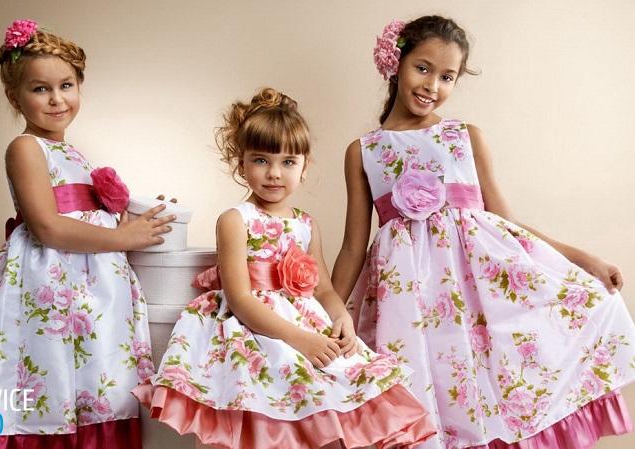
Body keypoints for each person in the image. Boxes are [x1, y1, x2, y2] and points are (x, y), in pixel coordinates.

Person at [332, 15, 635, 449]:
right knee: (426, 397)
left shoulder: (465, 137)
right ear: (395, 63)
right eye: (422, 68)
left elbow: (507, 225)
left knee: (483, 394)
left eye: (447, 77)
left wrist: (582, 259)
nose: (432, 85)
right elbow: (352, 247)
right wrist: (326, 314)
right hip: (409, 305)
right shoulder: (364, 152)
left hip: (475, 296)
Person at [133, 88, 437, 449]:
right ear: (241, 164)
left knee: (334, 395)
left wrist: (341, 316)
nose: (274, 173)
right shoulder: (235, 220)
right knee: (264, 403)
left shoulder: (307, 224)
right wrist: (299, 339)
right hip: (256, 329)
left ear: (305, 166)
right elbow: (240, 298)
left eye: (288, 162)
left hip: (306, 322)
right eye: (261, 160)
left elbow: (323, 289)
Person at [0, 19, 174, 448]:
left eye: (66, 85)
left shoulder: (72, 153)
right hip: (47, 285)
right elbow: (48, 226)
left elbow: (85, 221)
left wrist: (131, 220)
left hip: (90, 293)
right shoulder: (26, 147)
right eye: (40, 89)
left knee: (94, 382)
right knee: (46, 377)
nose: (57, 99)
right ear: (15, 97)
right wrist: (125, 239)